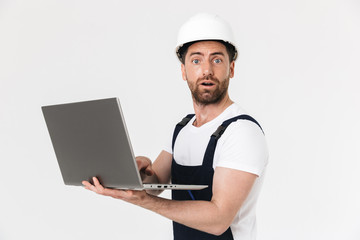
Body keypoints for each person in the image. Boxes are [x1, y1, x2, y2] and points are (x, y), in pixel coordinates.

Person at [82, 13, 268, 240]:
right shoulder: (182, 128)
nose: (206, 70)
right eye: (196, 60)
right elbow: (156, 183)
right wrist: (135, 176)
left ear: (231, 69)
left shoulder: (241, 132)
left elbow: (219, 219)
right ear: (184, 71)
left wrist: (144, 200)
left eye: (217, 60)